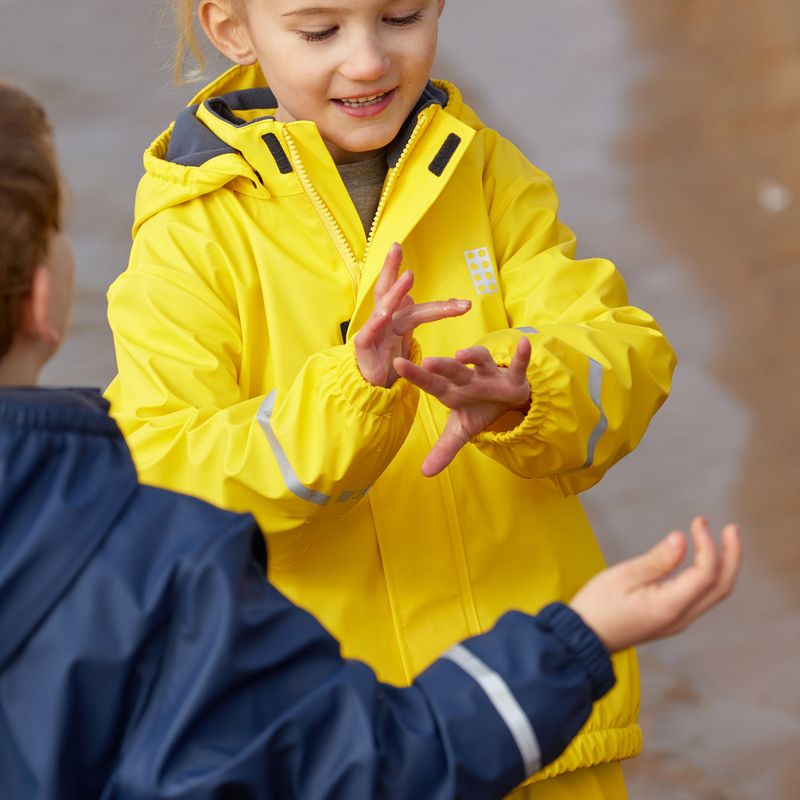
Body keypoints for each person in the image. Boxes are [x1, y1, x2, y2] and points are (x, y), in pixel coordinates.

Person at [0, 79, 741, 800]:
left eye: (401, 14)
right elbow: (175, 487)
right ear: (230, 25)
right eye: (319, 29)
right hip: (334, 739)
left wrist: (533, 388)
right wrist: (352, 400)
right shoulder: (191, 231)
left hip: (547, 734)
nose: (365, 58)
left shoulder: (482, 168)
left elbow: (629, 357)